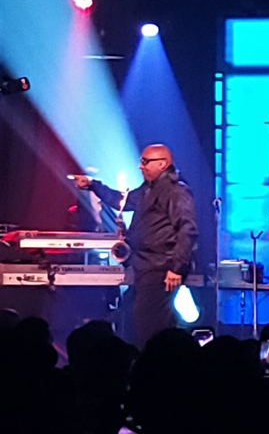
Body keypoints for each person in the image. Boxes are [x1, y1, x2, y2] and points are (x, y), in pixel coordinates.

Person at [73, 144, 198, 347]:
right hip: (144, 266)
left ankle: (154, 367)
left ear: (162, 164)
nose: (140, 166)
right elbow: (123, 201)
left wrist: (177, 268)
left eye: (145, 162)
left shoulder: (176, 191)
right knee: (135, 320)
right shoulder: (149, 189)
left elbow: (187, 229)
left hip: (161, 267)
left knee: (150, 325)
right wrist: (93, 185)